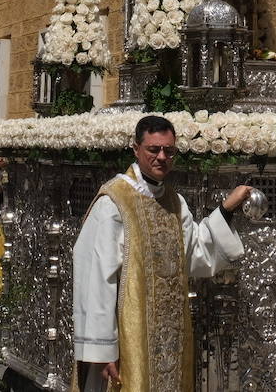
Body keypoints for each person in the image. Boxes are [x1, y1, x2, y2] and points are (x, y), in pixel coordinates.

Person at [72, 115, 253, 392]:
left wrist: (226, 210)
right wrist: (103, 349)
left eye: (169, 151)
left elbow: (194, 253)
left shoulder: (174, 202)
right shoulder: (114, 203)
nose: (161, 157)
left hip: (170, 337)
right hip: (128, 341)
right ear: (136, 149)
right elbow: (96, 277)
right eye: (153, 149)